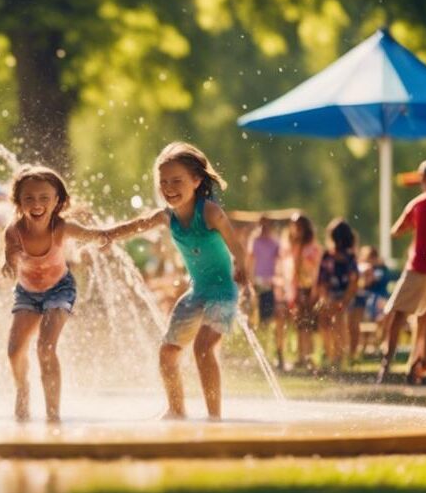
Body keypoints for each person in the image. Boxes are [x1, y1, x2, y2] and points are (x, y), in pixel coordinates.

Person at [102, 142, 248, 420]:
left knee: (203, 348)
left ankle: (214, 417)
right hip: (198, 291)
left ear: (196, 180)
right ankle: (176, 410)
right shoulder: (167, 217)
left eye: (177, 181)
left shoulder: (210, 212)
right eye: (163, 182)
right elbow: (136, 225)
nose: (169, 187)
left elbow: (236, 245)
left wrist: (243, 269)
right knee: (167, 352)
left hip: (222, 292)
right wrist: (107, 235)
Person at [1, 166, 110, 423]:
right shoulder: (14, 231)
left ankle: (53, 414)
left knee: (46, 347)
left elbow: (90, 235)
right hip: (27, 293)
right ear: (18, 202)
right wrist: (8, 263)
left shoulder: (61, 228)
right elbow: (10, 254)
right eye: (29, 198)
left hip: (59, 289)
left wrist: (103, 238)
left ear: (57, 202)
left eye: (44, 198)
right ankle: (23, 389)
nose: (36, 204)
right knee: (14, 351)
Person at [378, 160, 426, 384]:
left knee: (423, 319)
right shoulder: (418, 205)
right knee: (404, 314)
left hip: (424, 271)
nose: (421, 181)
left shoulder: (419, 204)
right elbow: (396, 231)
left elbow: (395, 232)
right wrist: (411, 225)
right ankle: (394, 363)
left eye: (424, 177)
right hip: (420, 269)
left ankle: (416, 367)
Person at [313, 219, 359, 372]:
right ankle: (330, 354)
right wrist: (324, 298)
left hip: (344, 296)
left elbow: (353, 282)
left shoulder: (349, 257)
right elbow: (322, 280)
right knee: (324, 320)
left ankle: (339, 356)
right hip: (330, 295)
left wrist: (344, 302)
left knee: (339, 321)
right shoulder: (328, 255)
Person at [247, 216, 284, 367]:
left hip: (272, 284)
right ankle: (260, 354)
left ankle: (278, 354)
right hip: (258, 284)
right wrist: (250, 281)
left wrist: (278, 281)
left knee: (273, 320)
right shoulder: (255, 241)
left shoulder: (275, 243)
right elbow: (250, 261)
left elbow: (280, 262)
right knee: (259, 321)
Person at [289, 214, 321, 370]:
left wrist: (315, 291)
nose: (294, 229)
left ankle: (309, 356)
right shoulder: (296, 246)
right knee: (300, 324)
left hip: (310, 289)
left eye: (297, 226)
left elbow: (316, 271)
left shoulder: (312, 248)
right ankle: (301, 356)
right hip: (299, 288)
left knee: (308, 324)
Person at [349, 246, 390, 359]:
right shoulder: (360, 268)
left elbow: (373, 281)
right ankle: (361, 348)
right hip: (365, 302)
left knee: (380, 309)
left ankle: (378, 346)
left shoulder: (380, 270)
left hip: (378, 301)